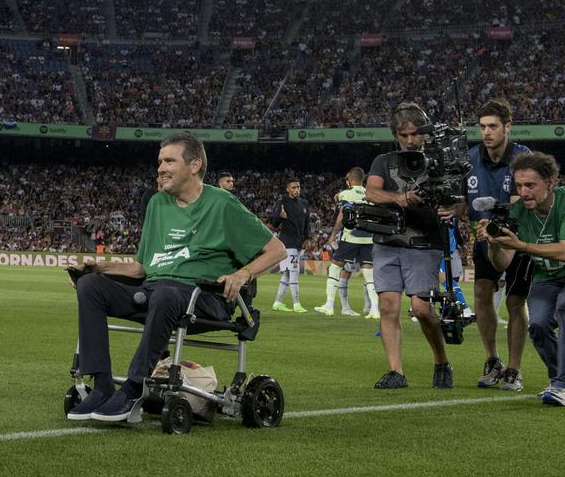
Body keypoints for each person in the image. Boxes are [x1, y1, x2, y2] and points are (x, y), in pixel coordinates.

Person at [66, 133, 286, 422]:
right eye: (160, 161)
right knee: (90, 286)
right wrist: (99, 268)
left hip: (203, 298)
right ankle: (102, 386)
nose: (160, 168)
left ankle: (134, 388)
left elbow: (277, 250)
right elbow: (142, 268)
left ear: (194, 166)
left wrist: (243, 273)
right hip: (157, 292)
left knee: (167, 293)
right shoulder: (158, 204)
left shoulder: (222, 204)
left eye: (169, 160)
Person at [366, 102, 456, 389]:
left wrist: (453, 210)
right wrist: (400, 199)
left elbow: (457, 200)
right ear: (396, 135)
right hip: (387, 241)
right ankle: (396, 371)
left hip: (425, 241)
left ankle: (442, 361)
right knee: (388, 307)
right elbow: (371, 192)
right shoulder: (383, 160)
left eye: (415, 134)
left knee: (420, 308)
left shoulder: (439, 162)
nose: (409, 140)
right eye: (403, 135)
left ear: (425, 134)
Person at [481, 151, 565, 406]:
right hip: (545, 278)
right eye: (519, 185)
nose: (524, 192)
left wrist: (523, 246)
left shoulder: (563, 202)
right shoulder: (518, 211)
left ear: (551, 182)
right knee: (538, 325)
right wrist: (494, 244)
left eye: (531, 185)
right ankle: (558, 379)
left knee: (564, 308)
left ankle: (562, 384)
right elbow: (502, 262)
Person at [466, 98, 531, 391]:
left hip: (517, 239)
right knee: (481, 292)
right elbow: (461, 205)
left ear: (507, 127)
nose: (487, 132)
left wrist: (494, 228)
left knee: (516, 301)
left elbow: (521, 206)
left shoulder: (523, 158)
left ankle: (514, 370)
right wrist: (452, 211)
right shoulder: (469, 159)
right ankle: (493, 361)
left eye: (493, 126)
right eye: (482, 127)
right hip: (483, 237)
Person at [317, 167, 379, 318]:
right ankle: (374, 309)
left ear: (350, 180)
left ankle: (329, 305)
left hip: (350, 237)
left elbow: (341, 216)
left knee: (334, 268)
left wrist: (333, 234)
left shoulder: (345, 194)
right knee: (369, 275)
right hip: (369, 239)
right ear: (362, 179)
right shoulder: (371, 194)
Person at [270, 178, 310, 313]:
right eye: (293, 187)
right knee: (294, 272)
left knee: (287, 274)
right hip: (287, 242)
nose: (296, 190)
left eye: (298, 187)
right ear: (287, 189)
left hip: (298, 243)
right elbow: (274, 223)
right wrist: (280, 216)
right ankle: (296, 304)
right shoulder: (282, 202)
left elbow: (306, 224)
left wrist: (307, 237)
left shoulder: (304, 204)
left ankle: (277, 302)